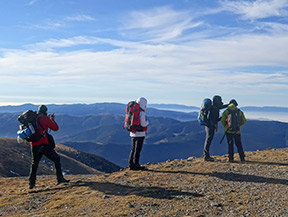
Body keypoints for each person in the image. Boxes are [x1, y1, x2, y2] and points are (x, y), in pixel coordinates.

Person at [28, 105, 69, 189]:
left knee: (34, 163)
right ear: (45, 111)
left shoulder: (34, 118)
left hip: (34, 144)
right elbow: (55, 128)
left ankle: (31, 184)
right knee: (56, 159)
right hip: (43, 144)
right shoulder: (45, 118)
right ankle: (60, 178)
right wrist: (52, 120)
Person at [203, 95, 228, 161]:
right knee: (208, 140)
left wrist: (228, 105)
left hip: (209, 126)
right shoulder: (214, 109)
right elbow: (215, 119)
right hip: (211, 126)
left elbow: (220, 107)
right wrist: (222, 118)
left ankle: (206, 155)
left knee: (208, 140)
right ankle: (206, 156)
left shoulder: (213, 107)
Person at [129, 97, 149, 170]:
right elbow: (143, 124)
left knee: (133, 149)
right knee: (137, 150)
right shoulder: (141, 113)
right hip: (140, 134)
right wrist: (147, 122)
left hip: (133, 133)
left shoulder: (133, 111)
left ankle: (131, 164)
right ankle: (136, 165)